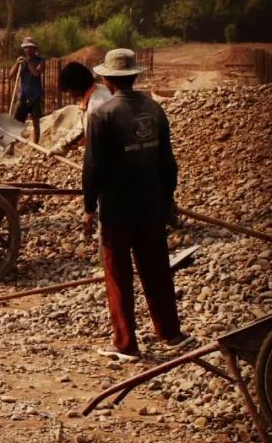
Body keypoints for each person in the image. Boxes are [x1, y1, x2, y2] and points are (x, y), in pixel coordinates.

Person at [82, 48, 192, 362]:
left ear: (108, 79)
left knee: (118, 275)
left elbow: (93, 167)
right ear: (133, 76)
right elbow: (168, 163)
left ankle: (126, 344)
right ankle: (171, 333)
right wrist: (167, 199)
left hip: (118, 209)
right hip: (150, 206)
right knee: (157, 269)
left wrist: (89, 206)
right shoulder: (154, 110)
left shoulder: (102, 114)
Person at [53, 61, 113, 154]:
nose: (69, 94)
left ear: (77, 86)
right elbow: (80, 127)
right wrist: (62, 146)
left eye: (69, 90)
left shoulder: (95, 108)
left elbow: (97, 144)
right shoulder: (100, 89)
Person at [9, 36, 45, 143]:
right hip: (23, 96)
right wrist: (17, 64)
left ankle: (35, 145)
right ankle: (11, 145)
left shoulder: (40, 61)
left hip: (35, 96)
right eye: (27, 48)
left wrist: (28, 63)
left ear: (35, 49)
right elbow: (10, 75)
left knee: (36, 122)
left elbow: (36, 73)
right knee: (15, 121)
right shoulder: (21, 62)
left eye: (31, 48)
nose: (29, 50)